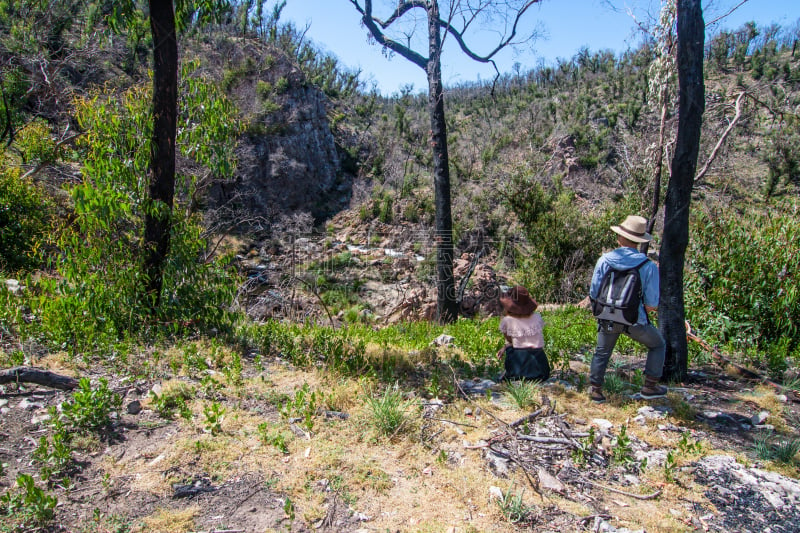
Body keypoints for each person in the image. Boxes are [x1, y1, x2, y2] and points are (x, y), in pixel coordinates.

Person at [588, 215, 667, 402]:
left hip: (607, 315)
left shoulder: (604, 260)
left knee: (602, 351)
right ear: (639, 241)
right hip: (633, 319)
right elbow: (651, 304)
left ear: (620, 238)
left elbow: (593, 292)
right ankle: (650, 386)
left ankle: (595, 390)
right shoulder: (647, 266)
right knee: (658, 344)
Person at [496, 286, 550, 382]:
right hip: (541, 369)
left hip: (519, 369)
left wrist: (505, 347)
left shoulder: (508, 320)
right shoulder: (537, 317)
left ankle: (509, 374)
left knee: (511, 349)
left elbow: (511, 341)